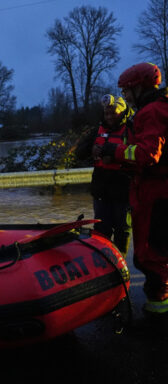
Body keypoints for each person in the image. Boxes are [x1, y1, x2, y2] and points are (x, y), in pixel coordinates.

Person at [100, 62, 168, 314]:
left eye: (127, 91)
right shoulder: (160, 108)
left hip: (155, 193)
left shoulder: (151, 112)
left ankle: (158, 312)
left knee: (150, 256)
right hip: (154, 188)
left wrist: (114, 151)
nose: (125, 97)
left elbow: (148, 154)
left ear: (139, 87)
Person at [75, 94, 134, 257]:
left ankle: (120, 260)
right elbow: (79, 153)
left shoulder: (132, 129)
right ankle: (104, 261)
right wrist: (90, 149)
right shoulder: (97, 130)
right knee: (101, 230)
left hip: (124, 190)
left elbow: (143, 157)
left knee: (123, 229)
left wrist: (115, 156)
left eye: (113, 113)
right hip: (101, 191)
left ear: (122, 112)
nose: (109, 117)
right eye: (106, 113)